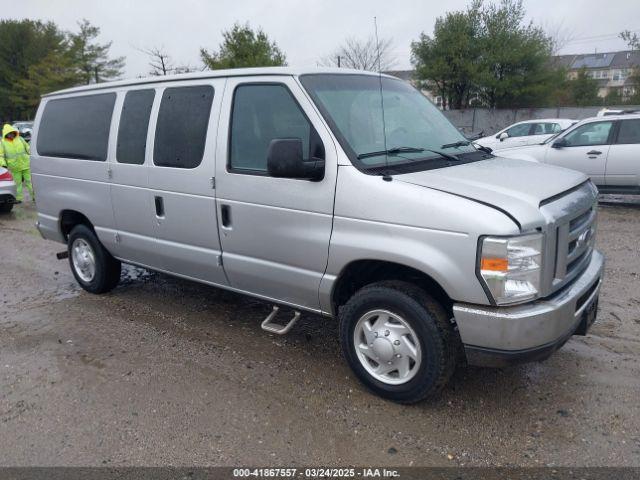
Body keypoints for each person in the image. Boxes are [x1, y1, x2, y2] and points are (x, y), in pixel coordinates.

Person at [0, 123, 34, 203]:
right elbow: (1, 155)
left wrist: (33, 156)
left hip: (26, 164)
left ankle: (35, 197)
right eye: (9, 134)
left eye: (12, 133)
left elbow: (28, 148)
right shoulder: (2, 143)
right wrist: (3, 164)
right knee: (17, 184)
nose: (11, 135)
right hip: (14, 167)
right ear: (6, 134)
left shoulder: (20, 139)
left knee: (30, 182)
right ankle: (18, 199)